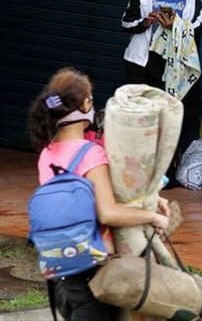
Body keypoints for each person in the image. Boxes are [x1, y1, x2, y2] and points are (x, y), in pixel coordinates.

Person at [28, 67, 170, 320]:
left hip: (59, 271)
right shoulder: (90, 153)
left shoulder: (47, 153)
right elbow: (108, 212)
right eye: (91, 100)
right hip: (93, 271)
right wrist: (152, 217)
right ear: (85, 106)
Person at [121, 0, 202, 179]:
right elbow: (126, 22)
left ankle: (166, 171)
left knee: (170, 119)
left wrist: (175, 24)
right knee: (141, 118)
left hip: (174, 65)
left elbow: (199, 24)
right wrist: (145, 22)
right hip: (142, 64)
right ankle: (137, 170)